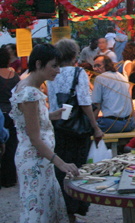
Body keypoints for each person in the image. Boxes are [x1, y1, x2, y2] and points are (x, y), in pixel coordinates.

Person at [9, 44, 80, 222]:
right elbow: (34, 138)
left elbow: (28, 121)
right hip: (36, 159)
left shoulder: (26, 86)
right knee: (38, 209)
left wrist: (51, 116)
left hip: (38, 158)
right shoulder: (30, 92)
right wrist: (60, 163)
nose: (58, 71)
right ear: (39, 64)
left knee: (44, 204)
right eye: (54, 66)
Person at [47, 38, 104, 222]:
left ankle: (65, 210)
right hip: (77, 128)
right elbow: (84, 102)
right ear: (74, 55)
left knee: (61, 168)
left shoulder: (52, 73)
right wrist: (95, 127)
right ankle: (74, 207)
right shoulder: (78, 72)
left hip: (58, 125)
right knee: (77, 167)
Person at [92, 55, 135, 133]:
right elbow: (131, 103)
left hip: (111, 124)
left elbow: (96, 105)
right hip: (129, 124)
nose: (95, 69)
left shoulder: (100, 78)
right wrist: (134, 123)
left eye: (98, 66)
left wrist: (92, 126)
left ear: (107, 65)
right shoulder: (121, 76)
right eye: (94, 66)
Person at [0, 45, 20, 189]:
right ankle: (10, 177)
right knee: (12, 146)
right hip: (12, 113)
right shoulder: (14, 76)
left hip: (0, 112)